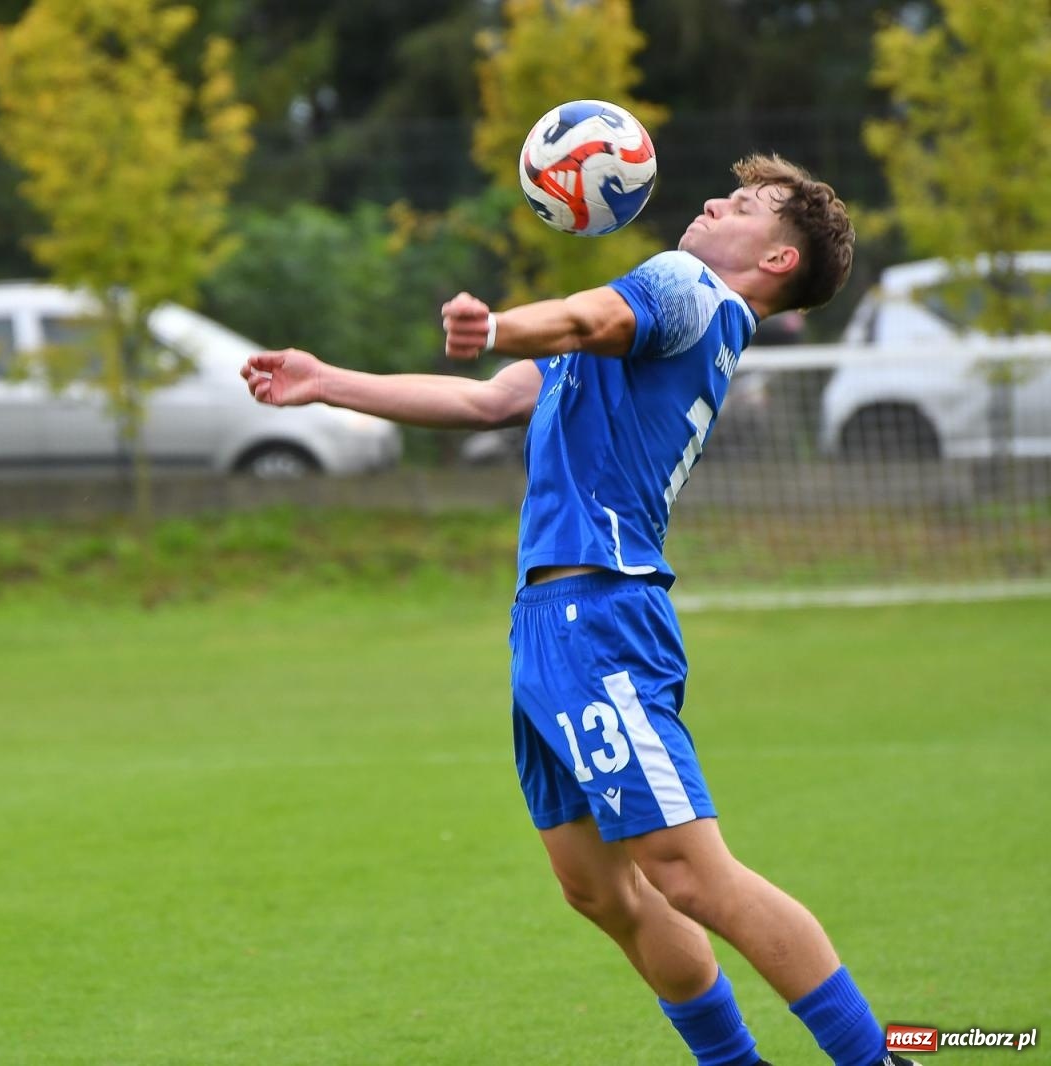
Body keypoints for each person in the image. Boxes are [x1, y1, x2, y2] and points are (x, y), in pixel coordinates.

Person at [239, 154, 913, 1066]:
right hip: (549, 627)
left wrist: (501, 323)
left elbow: (589, 314)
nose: (713, 203)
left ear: (778, 261)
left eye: (744, 204)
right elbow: (487, 404)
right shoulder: (655, 338)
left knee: (688, 874)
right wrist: (326, 382)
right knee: (600, 890)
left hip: (599, 616)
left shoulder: (686, 290)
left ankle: (877, 1058)